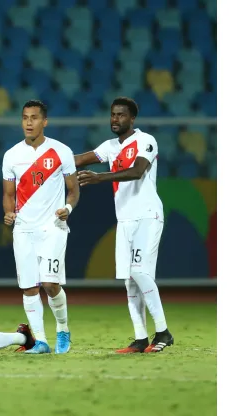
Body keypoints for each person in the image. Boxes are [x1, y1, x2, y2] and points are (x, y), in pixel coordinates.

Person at [74, 97, 173, 353]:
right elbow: (81, 159)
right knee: (129, 280)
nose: (115, 119)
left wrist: (100, 178)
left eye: (120, 115)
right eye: (112, 115)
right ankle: (140, 338)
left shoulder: (145, 140)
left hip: (147, 215)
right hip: (125, 219)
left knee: (140, 272)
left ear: (132, 119)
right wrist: (46, 161)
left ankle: (163, 332)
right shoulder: (109, 146)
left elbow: (137, 171)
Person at [2, 100, 80, 354]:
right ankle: (42, 341)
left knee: (49, 283)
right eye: (25, 117)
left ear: (44, 122)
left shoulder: (61, 151)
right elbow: (8, 194)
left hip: (52, 227)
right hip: (24, 228)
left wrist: (66, 210)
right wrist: (8, 212)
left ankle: (63, 329)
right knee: (29, 286)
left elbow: (73, 190)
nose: (28, 122)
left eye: (34, 118)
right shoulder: (12, 155)